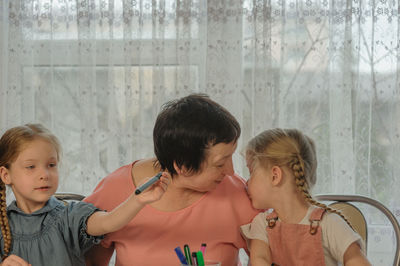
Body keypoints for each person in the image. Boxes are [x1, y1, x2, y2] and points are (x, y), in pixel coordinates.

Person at [84, 94, 260, 266]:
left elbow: (270, 258)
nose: (231, 171)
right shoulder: (116, 190)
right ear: (182, 166)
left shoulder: (237, 195)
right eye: (220, 164)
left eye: (231, 157)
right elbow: (89, 260)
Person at [0, 124, 170, 266]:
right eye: (31, 167)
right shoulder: (2, 227)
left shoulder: (70, 216)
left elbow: (108, 222)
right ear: (6, 175)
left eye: (51, 165)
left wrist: (137, 200)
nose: (44, 174)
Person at [240, 128, 371, 266]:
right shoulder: (262, 224)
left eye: (251, 172)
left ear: (275, 176)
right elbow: (260, 260)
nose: (247, 182)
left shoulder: (328, 223)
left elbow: (355, 258)